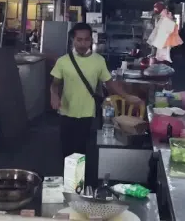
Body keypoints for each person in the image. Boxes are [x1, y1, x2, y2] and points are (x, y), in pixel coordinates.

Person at [50, 23, 143, 161]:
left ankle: (80, 180)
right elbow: (55, 84)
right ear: (73, 40)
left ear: (91, 40)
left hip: (88, 114)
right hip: (66, 112)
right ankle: (68, 179)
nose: (83, 43)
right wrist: (54, 95)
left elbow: (110, 83)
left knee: (82, 151)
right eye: (79, 40)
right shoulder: (63, 61)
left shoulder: (99, 61)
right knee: (66, 152)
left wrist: (127, 96)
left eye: (86, 39)